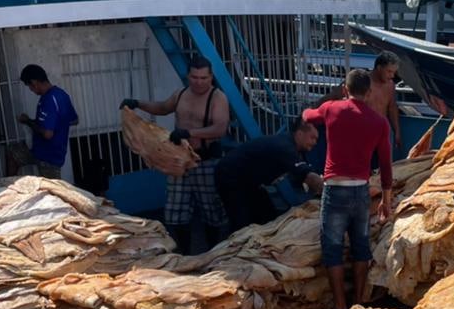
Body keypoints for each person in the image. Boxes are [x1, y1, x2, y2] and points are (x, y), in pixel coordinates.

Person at [302, 69, 393, 309]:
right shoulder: (379, 123)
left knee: (332, 248)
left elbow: (308, 115)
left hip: (335, 191)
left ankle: (340, 307)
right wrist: (386, 201)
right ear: (369, 92)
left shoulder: (332, 109)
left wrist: (321, 103)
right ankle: (358, 305)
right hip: (361, 192)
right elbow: (386, 165)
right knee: (360, 246)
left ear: (345, 89)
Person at [122, 56, 231, 252]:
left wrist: (190, 133)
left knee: (211, 210)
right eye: (195, 77)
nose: (199, 82)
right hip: (178, 162)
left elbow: (220, 129)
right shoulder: (181, 94)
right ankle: (184, 253)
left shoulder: (217, 98)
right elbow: (163, 108)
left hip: (205, 161)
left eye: (204, 78)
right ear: (188, 76)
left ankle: (214, 252)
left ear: (211, 77)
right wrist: (137, 103)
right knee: (175, 211)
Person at [215, 119, 323, 233]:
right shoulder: (285, 147)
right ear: (300, 134)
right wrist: (329, 192)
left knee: (268, 214)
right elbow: (309, 176)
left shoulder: (291, 146)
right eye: (312, 138)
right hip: (231, 176)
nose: (315, 142)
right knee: (241, 221)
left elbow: (306, 172)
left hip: (249, 180)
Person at [6, 64, 79, 179]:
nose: (31, 90)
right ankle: (10, 186)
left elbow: (47, 134)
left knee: (51, 188)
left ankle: (10, 185)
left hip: (48, 155)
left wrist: (28, 121)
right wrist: (56, 125)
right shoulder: (62, 95)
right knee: (13, 153)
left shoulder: (48, 100)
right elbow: (74, 120)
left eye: (29, 87)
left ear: (34, 82)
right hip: (42, 150)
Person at [367, 51, 403, 157]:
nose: (392, 76)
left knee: (385, 162)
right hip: (364, 131)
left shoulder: (390, 85)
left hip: (383, 131)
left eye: (394, 72)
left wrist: (397, 131)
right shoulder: (362, 82)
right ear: (379, 68)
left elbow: (392, 108)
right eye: (389, 71)